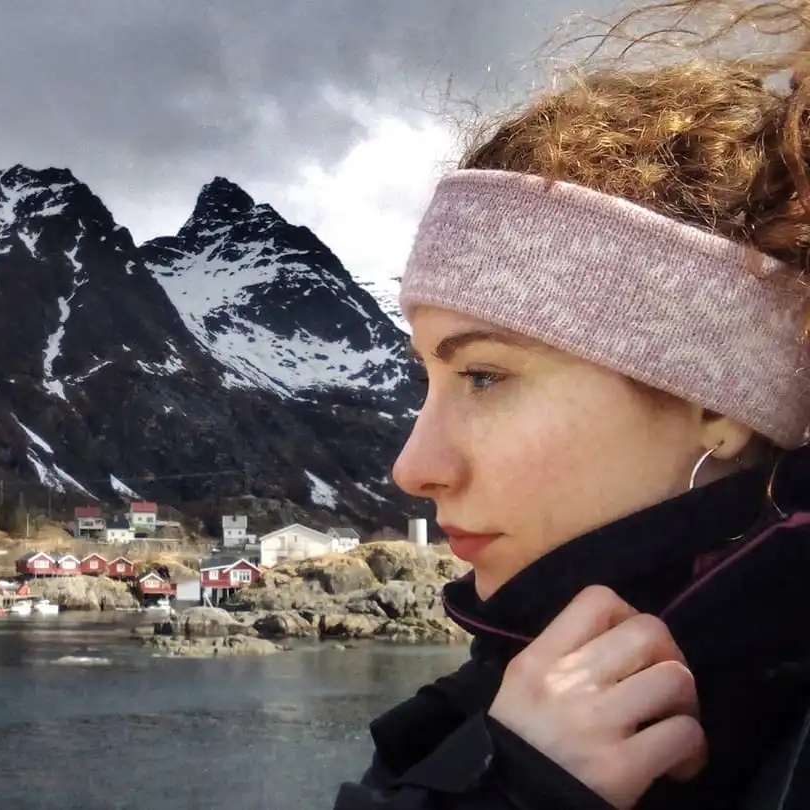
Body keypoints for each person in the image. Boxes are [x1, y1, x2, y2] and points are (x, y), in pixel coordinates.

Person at [333, 2, 810, 809]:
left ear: (716, 403)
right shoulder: (486, 706)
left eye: (483, 376)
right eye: (428, 381)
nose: (414, 468)